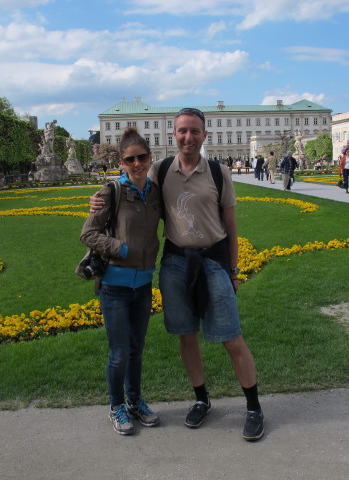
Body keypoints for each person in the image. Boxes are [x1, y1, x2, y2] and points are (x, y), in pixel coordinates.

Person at [91, 108, 264, 441]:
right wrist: (98, 199)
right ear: (174, 135)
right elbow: (131, 184)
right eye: (183, 131)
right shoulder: (161, 169)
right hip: (175, 263)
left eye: (195, 131)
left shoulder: (217, 172)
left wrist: (234, 270)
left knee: (231, 337)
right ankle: (201, 400)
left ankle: (254, 407)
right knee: (186, 335)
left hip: (213, 261)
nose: (188, 137)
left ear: (204, 135)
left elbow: (230, 226)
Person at [80, 127, 162, 436]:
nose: (137, 163)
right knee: (118, 353)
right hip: (114, 286)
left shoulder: (155, 192)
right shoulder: (111, 192)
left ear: (150, 158)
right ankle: (116, 407)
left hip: (142, 286)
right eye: (131, 160)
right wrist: (120, 248)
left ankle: (135, 401)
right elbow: (87, 233)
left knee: (136, 349)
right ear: (122, 164)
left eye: (142, 157)